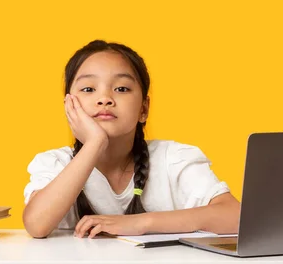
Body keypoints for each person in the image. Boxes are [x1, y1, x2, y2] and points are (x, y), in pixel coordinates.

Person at [23, 40, 240, 239]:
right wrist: (94, 144)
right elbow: (36, 225)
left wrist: (141, 223)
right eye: (89, 89)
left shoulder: (173, 159)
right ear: (69, 106)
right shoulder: (55, 164)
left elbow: (235, 216)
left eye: (121, 89)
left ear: (144, 109)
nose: (105, 99)